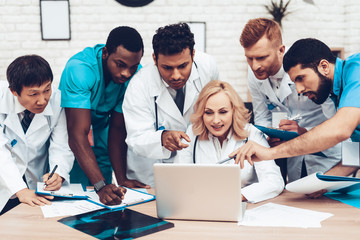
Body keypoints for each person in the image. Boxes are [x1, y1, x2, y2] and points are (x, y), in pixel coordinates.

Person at [232, 38, 359, 194]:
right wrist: (322, 184)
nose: (298, 90)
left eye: (301, 78)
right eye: (294, 81)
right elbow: (356, 155)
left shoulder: (356, 70)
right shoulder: (338, 95)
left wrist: (269, 153)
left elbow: (340, 130)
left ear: (324, 66)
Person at [239, 18, 341, 183]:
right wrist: (269, 135)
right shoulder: (254, 75)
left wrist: (304, 131)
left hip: (327, 155)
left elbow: (336, 122)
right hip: (292, 155)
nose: (255, 65)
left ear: (281, 50)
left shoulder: (304, 68)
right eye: (249, 58)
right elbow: (262, 115)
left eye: (261, 57)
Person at [123, 23, 219, 186]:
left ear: (193, 54)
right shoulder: (139, 84)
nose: (176, 76)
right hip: (150, 173)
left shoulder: (207, 67)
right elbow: (136, 139)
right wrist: (161, 137)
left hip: (195, 165)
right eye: (167, 67)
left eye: (182, 66)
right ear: (155, 59)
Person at [59, 26, 147, 206]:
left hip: (101, 130)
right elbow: (77, 135)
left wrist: (121, 179)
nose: (126, 73)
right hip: (72, 130)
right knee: (76, 197)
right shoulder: (80, 69)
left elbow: (117, 128)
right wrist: (101, 186)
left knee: (106, 197)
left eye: (133, 67)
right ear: (106, 53)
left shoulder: (136, 75)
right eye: (120, 64)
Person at [176, 80, 284, 203]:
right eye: (208, 112)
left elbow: (274, 181)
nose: (216, 120)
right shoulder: (192, 133)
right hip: (202, 203)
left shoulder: (252, 133)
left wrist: (239, 196)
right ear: (201, 113)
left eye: (223, 112)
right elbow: (179, 179)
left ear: (234, 111)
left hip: (242, 205)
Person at [0, 55, 74, 214]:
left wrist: (58, 174)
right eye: (33, 94)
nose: (42, 100)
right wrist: (19, 189)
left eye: (47, 89)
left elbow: (61, 145)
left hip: (36, 186)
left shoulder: (57, 100)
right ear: (14, 91)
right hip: (4, 184)